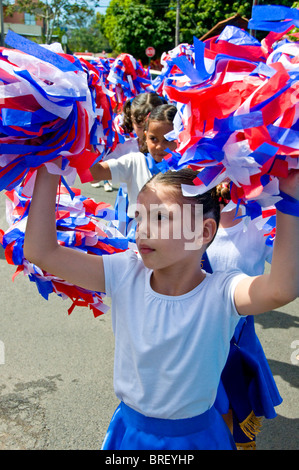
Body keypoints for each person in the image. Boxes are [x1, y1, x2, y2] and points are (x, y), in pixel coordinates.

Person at [23, 163, 299, 450]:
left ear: (203, 231)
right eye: (139, 217)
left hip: (197, 439)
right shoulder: (125, 272)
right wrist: (49, 164)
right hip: (130, 434)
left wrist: (289, 197)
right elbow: (40, 252)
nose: (142, 229)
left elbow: (281, 289)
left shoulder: (222, 291)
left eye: (159, 217)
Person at [205, 181, 282, 449]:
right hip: (192, 337)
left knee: (235, 416)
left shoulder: (263, 223)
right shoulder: (186, 220)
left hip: (237, 340)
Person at [90, 104, 178, 238]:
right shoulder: (135, 162)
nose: (160, 146)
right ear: (145, 136)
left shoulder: (186, 170)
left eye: (168, 140)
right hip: (137, 242)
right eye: (153, 139)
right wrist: (89, 133)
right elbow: (94, 173)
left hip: (173, 242)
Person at [91, 92, 167, 190]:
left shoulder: (175, 149)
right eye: (139, 127)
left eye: (150, 127)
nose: (145, 132)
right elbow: (94, 177)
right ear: (132, 121)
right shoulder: (127, 149)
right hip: (132, 203)